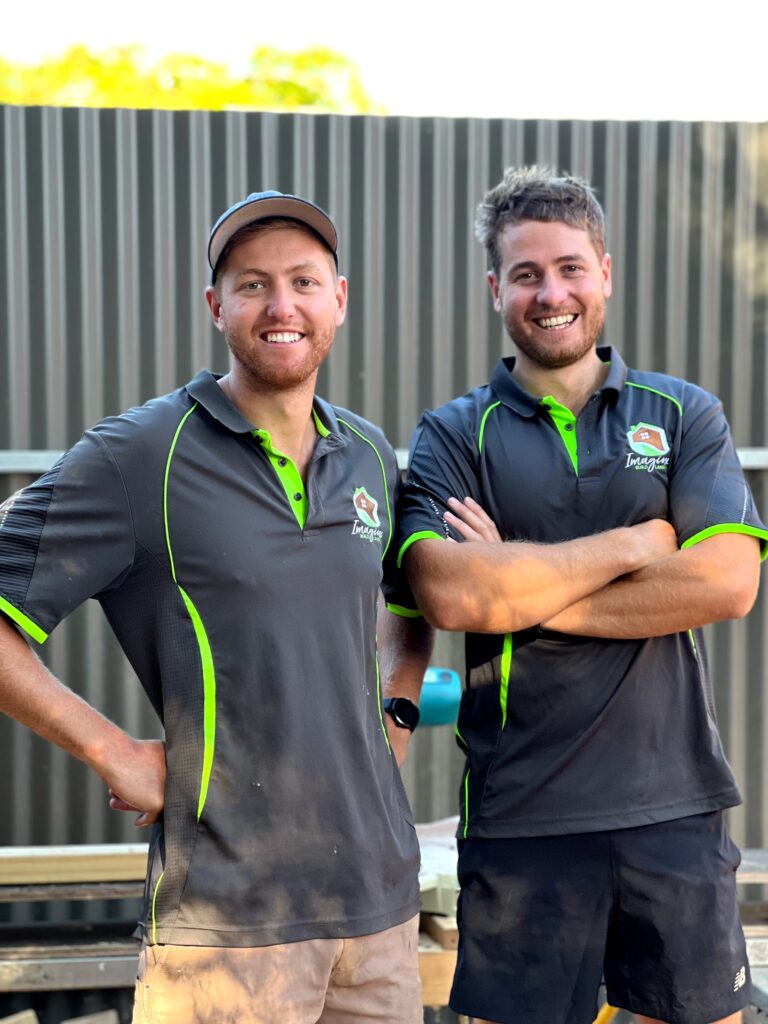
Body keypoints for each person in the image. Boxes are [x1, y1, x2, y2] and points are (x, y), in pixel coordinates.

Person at [0, 190, 431, 1023]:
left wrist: (396, 712)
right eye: (252, 285)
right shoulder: (139, 456)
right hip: (226, 932)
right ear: (215, 307)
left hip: (378, 913)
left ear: (339, 298)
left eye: (305, 282)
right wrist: (111, 750)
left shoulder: (370, 453)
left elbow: (409, 601)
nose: (282, 307)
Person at [396, 166, 766, 1024]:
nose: (550, 292)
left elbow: (726, 580)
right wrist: (639, 546)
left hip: (673, 803)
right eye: (526, 274)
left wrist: (517, 590)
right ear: (496, 289)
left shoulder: (682, 414)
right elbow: (449, 594)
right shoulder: (454, 433)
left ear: (605, 271)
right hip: (522, 815)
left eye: (569, 268)